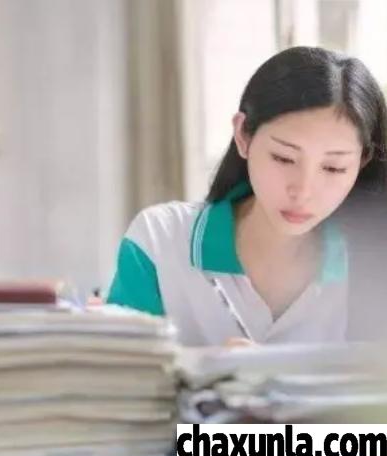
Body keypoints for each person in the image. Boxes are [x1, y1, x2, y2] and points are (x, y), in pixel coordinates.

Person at [107, 46, 387, 346]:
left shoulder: (374, 263)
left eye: (333, 168)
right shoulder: (160, 241)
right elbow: (115, 369)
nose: (303, 191)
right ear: (243, 135)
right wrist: (206, 367)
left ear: (362, 160)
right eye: (283, 158)